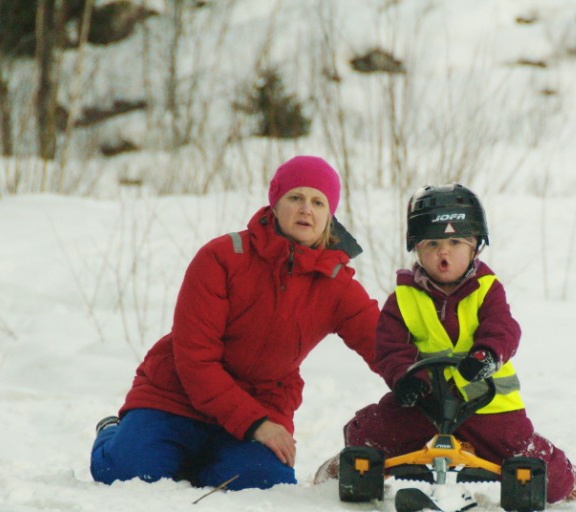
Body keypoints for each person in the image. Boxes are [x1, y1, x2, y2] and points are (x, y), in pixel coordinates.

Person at [91, 156, 380, 491]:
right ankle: (114, 432)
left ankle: (199, 459)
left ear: (329, 215)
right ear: (275, 203)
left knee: (262, 483)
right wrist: (256, 424)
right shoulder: (222, 257)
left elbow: (383, 345)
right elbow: (196, 361)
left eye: (318, 202)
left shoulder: (336, 284)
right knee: (128, 473)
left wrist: (426, 378)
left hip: (263, 405)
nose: (306, 210)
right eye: (295, 198)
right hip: (176, 397)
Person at [319, 183, 576, 503]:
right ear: (417, 249)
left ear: (475, 246)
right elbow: (390, 347)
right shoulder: (404, 298)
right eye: (432, 243)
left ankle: (569, 479)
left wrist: (486, 356)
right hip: (424, 400)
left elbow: (503, 327)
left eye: (455, 242)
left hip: (486, 402)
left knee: (521, 447)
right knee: (370, 429)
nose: (443, 252)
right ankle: (348, 463)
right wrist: (407, 379)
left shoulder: (487, 290)